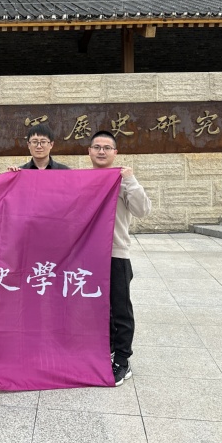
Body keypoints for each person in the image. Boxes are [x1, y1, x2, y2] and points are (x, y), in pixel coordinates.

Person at [88, 130, 151, 386]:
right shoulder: (82, 180)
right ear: (89, 151)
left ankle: (123, 360)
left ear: (115, 153)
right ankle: (107, 350)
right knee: (96, 308)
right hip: (87, 256)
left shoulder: (123, 181)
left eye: (107, 147)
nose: (101, 151)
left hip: (116, 254)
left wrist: (131, 180)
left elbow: (143, 210)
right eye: (97, 147)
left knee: (120, 309)